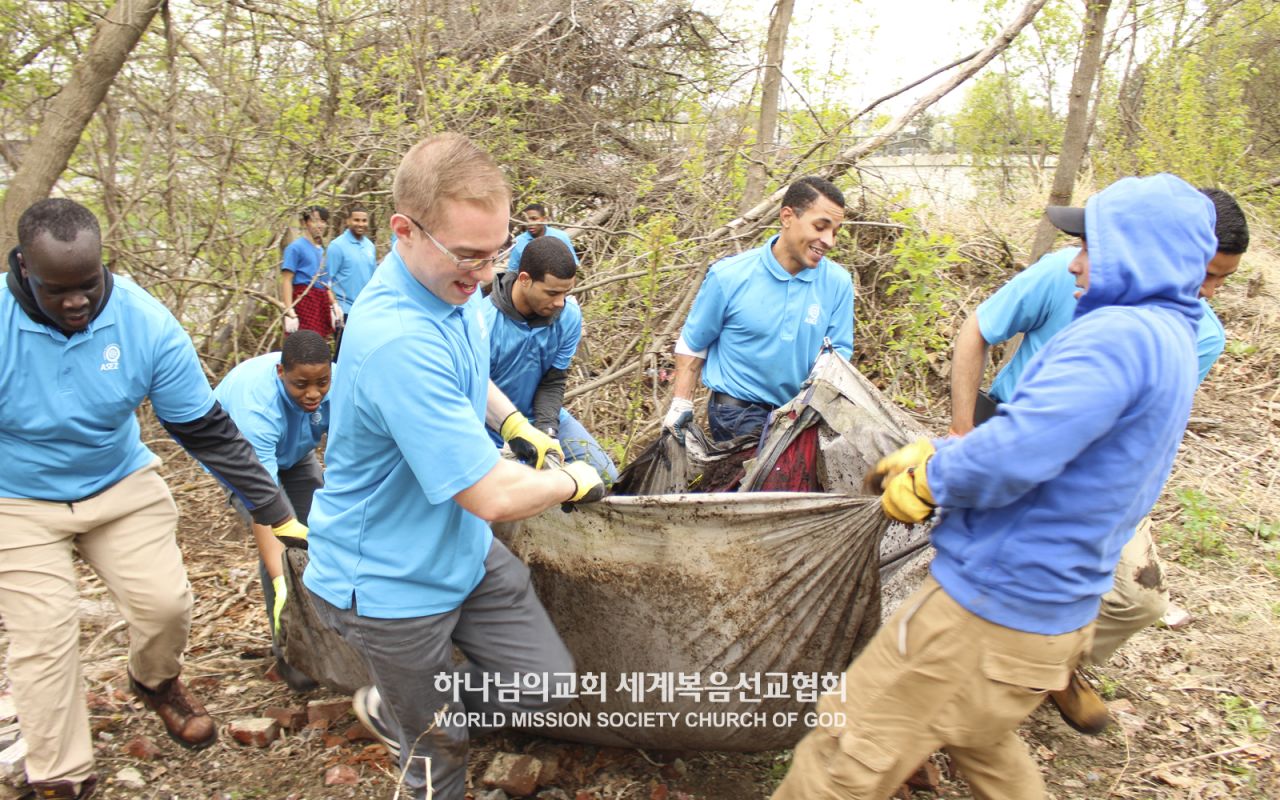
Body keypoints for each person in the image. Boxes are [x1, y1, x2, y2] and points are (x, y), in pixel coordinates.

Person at [772, 174, 1214, 800]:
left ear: (1137, 252)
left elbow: (1017, 455)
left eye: (1093, 246)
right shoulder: (1175, 337)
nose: (1077, 264)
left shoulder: (1116, 337)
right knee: (980, 740)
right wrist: (953, 447)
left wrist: (932, 478)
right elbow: (1070, 452)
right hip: (1055, 612)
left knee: (846, 747)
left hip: (991, 601)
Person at [301, 133, 606, 800]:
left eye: (497, 254)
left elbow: (467, 372)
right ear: (404, 231)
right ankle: (417, 722)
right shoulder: (395, 339)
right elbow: (492, 496)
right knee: (438, 756)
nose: (486, 274)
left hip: (458, 548)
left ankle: (404, 705)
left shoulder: (454, 286)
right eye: (469, 255)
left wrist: (512, 420)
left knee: (543, 688)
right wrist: (573, 479)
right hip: (389, 580)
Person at [0, 199, 307, 800]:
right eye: (55, 289)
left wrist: (277, 511)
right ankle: (63, 777)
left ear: (103, 267)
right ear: (23, 269)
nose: (74, 302)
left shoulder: (143, 321)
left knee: (165, 606)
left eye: (87, 285)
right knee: (44, 632)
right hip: (18, 498)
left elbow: (205, 429)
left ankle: (154, 682)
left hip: (118, 482)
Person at [948, 187, 1250, 734]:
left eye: (1220, 281)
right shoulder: (1063, 275)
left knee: (1138, 599)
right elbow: (979, 331)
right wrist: (962, 433)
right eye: (1203, 273)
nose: (1206, 292)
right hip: (1010, 435)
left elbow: (1148, 429)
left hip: (1088, 475)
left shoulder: (1195, 335)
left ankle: (1048, 667)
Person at [663, 176, 854, 442]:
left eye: (835, 231)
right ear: (787, 216)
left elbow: (838, 353)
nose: (828, 240)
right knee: (769, 476)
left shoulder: (837, 283)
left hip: (798, 412)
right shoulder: (729, 276)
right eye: (820, 227)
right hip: (736, 410)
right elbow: (693, 344)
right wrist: (680, 405)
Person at [213, 330, 334, 691]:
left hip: (294, 453)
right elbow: (266, 509)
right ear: (281, 372)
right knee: (285, 553)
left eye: (321, 383)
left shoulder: (339, 383)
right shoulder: (257, 408)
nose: (313, 394)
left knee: (319, 532)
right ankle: (289, 649)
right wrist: (282, 579)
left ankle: (332, 633)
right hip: (240, 459)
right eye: (301, 385)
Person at [483, 235, 618, 483]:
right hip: (489, 424)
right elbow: (473, 391)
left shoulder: (568, 316)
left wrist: (548, 431)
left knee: (605, 477)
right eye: (552, 293)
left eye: (566, 292)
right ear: (524, 280)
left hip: (538, 414)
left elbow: (552, 381)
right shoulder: (482, 321)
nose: (560, 302)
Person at [281, 205, 343, 340]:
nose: (319, 225)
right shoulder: (295, 248)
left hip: (321, 300)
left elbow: (325, 283)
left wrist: (334, 304)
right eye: (315, 220)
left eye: (323, 221)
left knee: (320, 342)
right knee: (304, 341)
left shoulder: (323, 252)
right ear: (305, 223)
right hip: (303, 299)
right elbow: (287, 279)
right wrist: (289, 310)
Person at [326, 206, 378, 317]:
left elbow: (373, 277)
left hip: (367, 309)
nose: (360, 224)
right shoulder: (337, 246)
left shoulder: (370, 246)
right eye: (356, 220)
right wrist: (334, 305)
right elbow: (326, 281)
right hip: (344, 310)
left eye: (364, 221)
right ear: (348, 221)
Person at [506, 202, 577, 273]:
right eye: (526, 220)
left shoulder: (561, 237)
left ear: (545, 219)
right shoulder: (518, 241)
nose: (529, 223)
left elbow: (574, 265)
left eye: (534, 219)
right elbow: (512, 271)